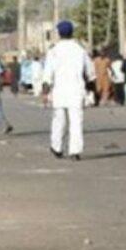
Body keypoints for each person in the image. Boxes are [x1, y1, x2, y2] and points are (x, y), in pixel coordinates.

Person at [42, 21, 96, 162]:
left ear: (59, 33)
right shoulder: (80, 50)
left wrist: (45, 92)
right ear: (72, 32)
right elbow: (90, 73)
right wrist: (91, 91)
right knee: (76, 121)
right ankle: (75, 151)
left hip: (59, 91)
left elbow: (47, 74)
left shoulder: (53, 51)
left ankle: (57, 147)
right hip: (76, 90)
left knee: (58, 120)